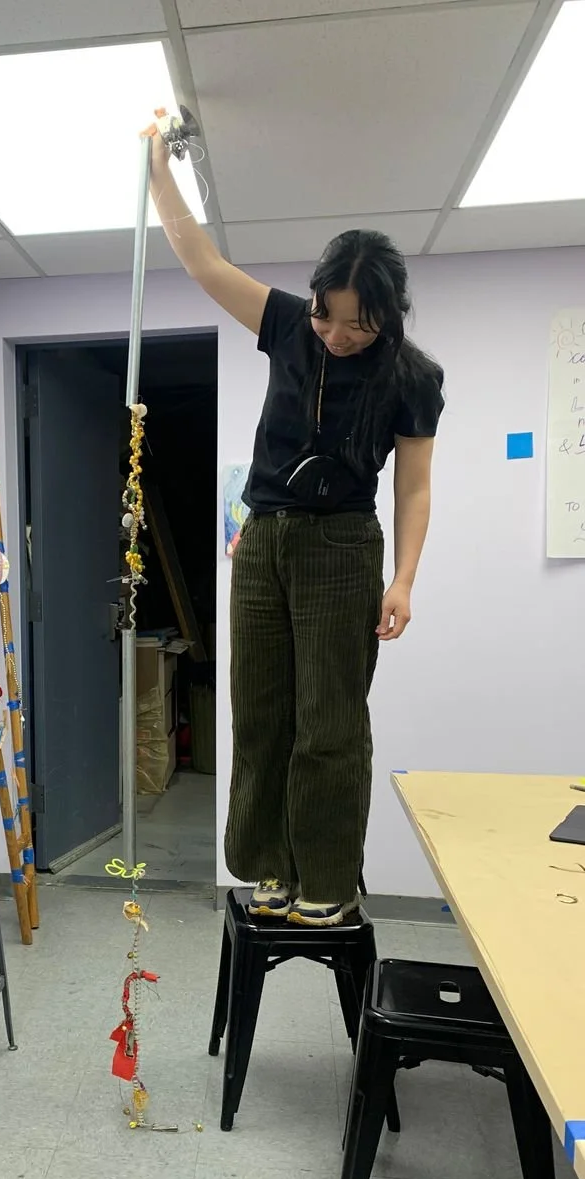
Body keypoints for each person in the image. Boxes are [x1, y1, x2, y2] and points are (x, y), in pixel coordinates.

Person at [147, 119, 444, 926]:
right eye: (327, 316)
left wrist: (405, 580)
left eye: (358, 324)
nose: (337, 336)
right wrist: (157, 173)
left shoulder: (414, 377)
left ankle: (327, 878)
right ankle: (268, 867)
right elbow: (203, 262)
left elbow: (414, 489)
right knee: (262, 712)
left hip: (345, 547)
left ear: (389, 315)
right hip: (264, 537)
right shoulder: (284, 324)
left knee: (330, 723)